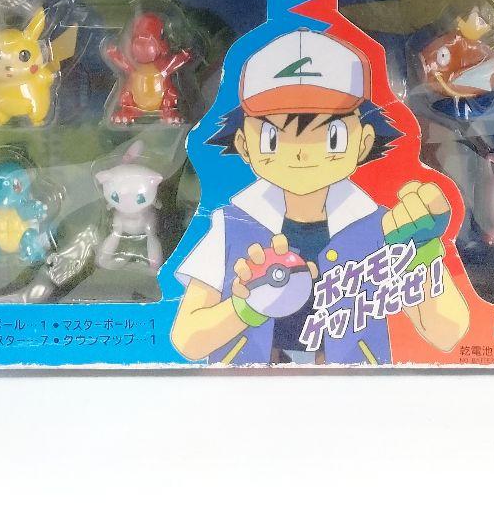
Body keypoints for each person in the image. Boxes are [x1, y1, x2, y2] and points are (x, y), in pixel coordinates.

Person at [171, 29, 469, 364]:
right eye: (273, 137)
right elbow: (187, 339)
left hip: (352, 385)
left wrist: (423, 249)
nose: (301, 153)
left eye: (331, 136)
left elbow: (448, 333)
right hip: (251, 385)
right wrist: (246, 307)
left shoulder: (382, 226)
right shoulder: (233, 225)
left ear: (364, 142)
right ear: (244, 144)